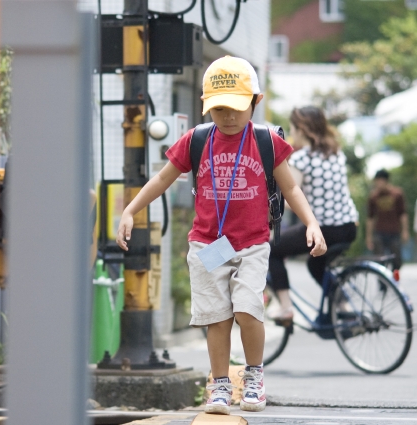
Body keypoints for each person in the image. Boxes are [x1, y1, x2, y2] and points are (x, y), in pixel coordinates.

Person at [115, 56, 326, 415]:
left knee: (247, 310)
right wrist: (130, 209)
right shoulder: (196, 140)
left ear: (256, 102)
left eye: (237, 108)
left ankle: (254, 376)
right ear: (206, 106)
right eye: (219, 108)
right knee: (217, 317)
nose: (228, 116)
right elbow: (163, 179)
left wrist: (311, 223)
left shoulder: (266, 141)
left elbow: (290, 188)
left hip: (253, 244)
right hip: (208, 245)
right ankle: (220, 385)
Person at [268, 107, 359, 320]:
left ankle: (285, 307)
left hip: (326, 229)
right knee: (316, 264)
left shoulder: (302, 160)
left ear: (302, 129)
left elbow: (292, 198)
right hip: (349, 227)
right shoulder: (336, 153)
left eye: (292, 127)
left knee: (273, 250)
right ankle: (343, 307)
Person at [366, 169, 408, 275]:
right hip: (379, 232)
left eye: (380, 180)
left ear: (385, 180)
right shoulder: (373, 197)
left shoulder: (397, 194)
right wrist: (369, 237)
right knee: (379, 259)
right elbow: (370, 218)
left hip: (394, 231)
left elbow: (403, 214)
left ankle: (394, 277)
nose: (378, 183)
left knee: (397, 260)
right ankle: (383, 281)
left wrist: (405, 231)